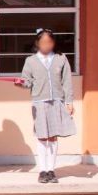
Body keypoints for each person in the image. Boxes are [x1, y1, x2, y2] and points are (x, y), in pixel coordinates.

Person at [14, 29, 76, 184]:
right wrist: (20, 83)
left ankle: (51, 170)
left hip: (57, 101)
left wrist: (68, 102)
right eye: (43, 42)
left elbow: (67, 81)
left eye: (49, 42)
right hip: (39, 102)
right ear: (37, 43)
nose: (46, 45)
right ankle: (42, 170)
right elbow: (26, 81)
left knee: (53, 136)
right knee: (42, 136)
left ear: (54, 43)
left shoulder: (61, 58)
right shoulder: (31, 61)